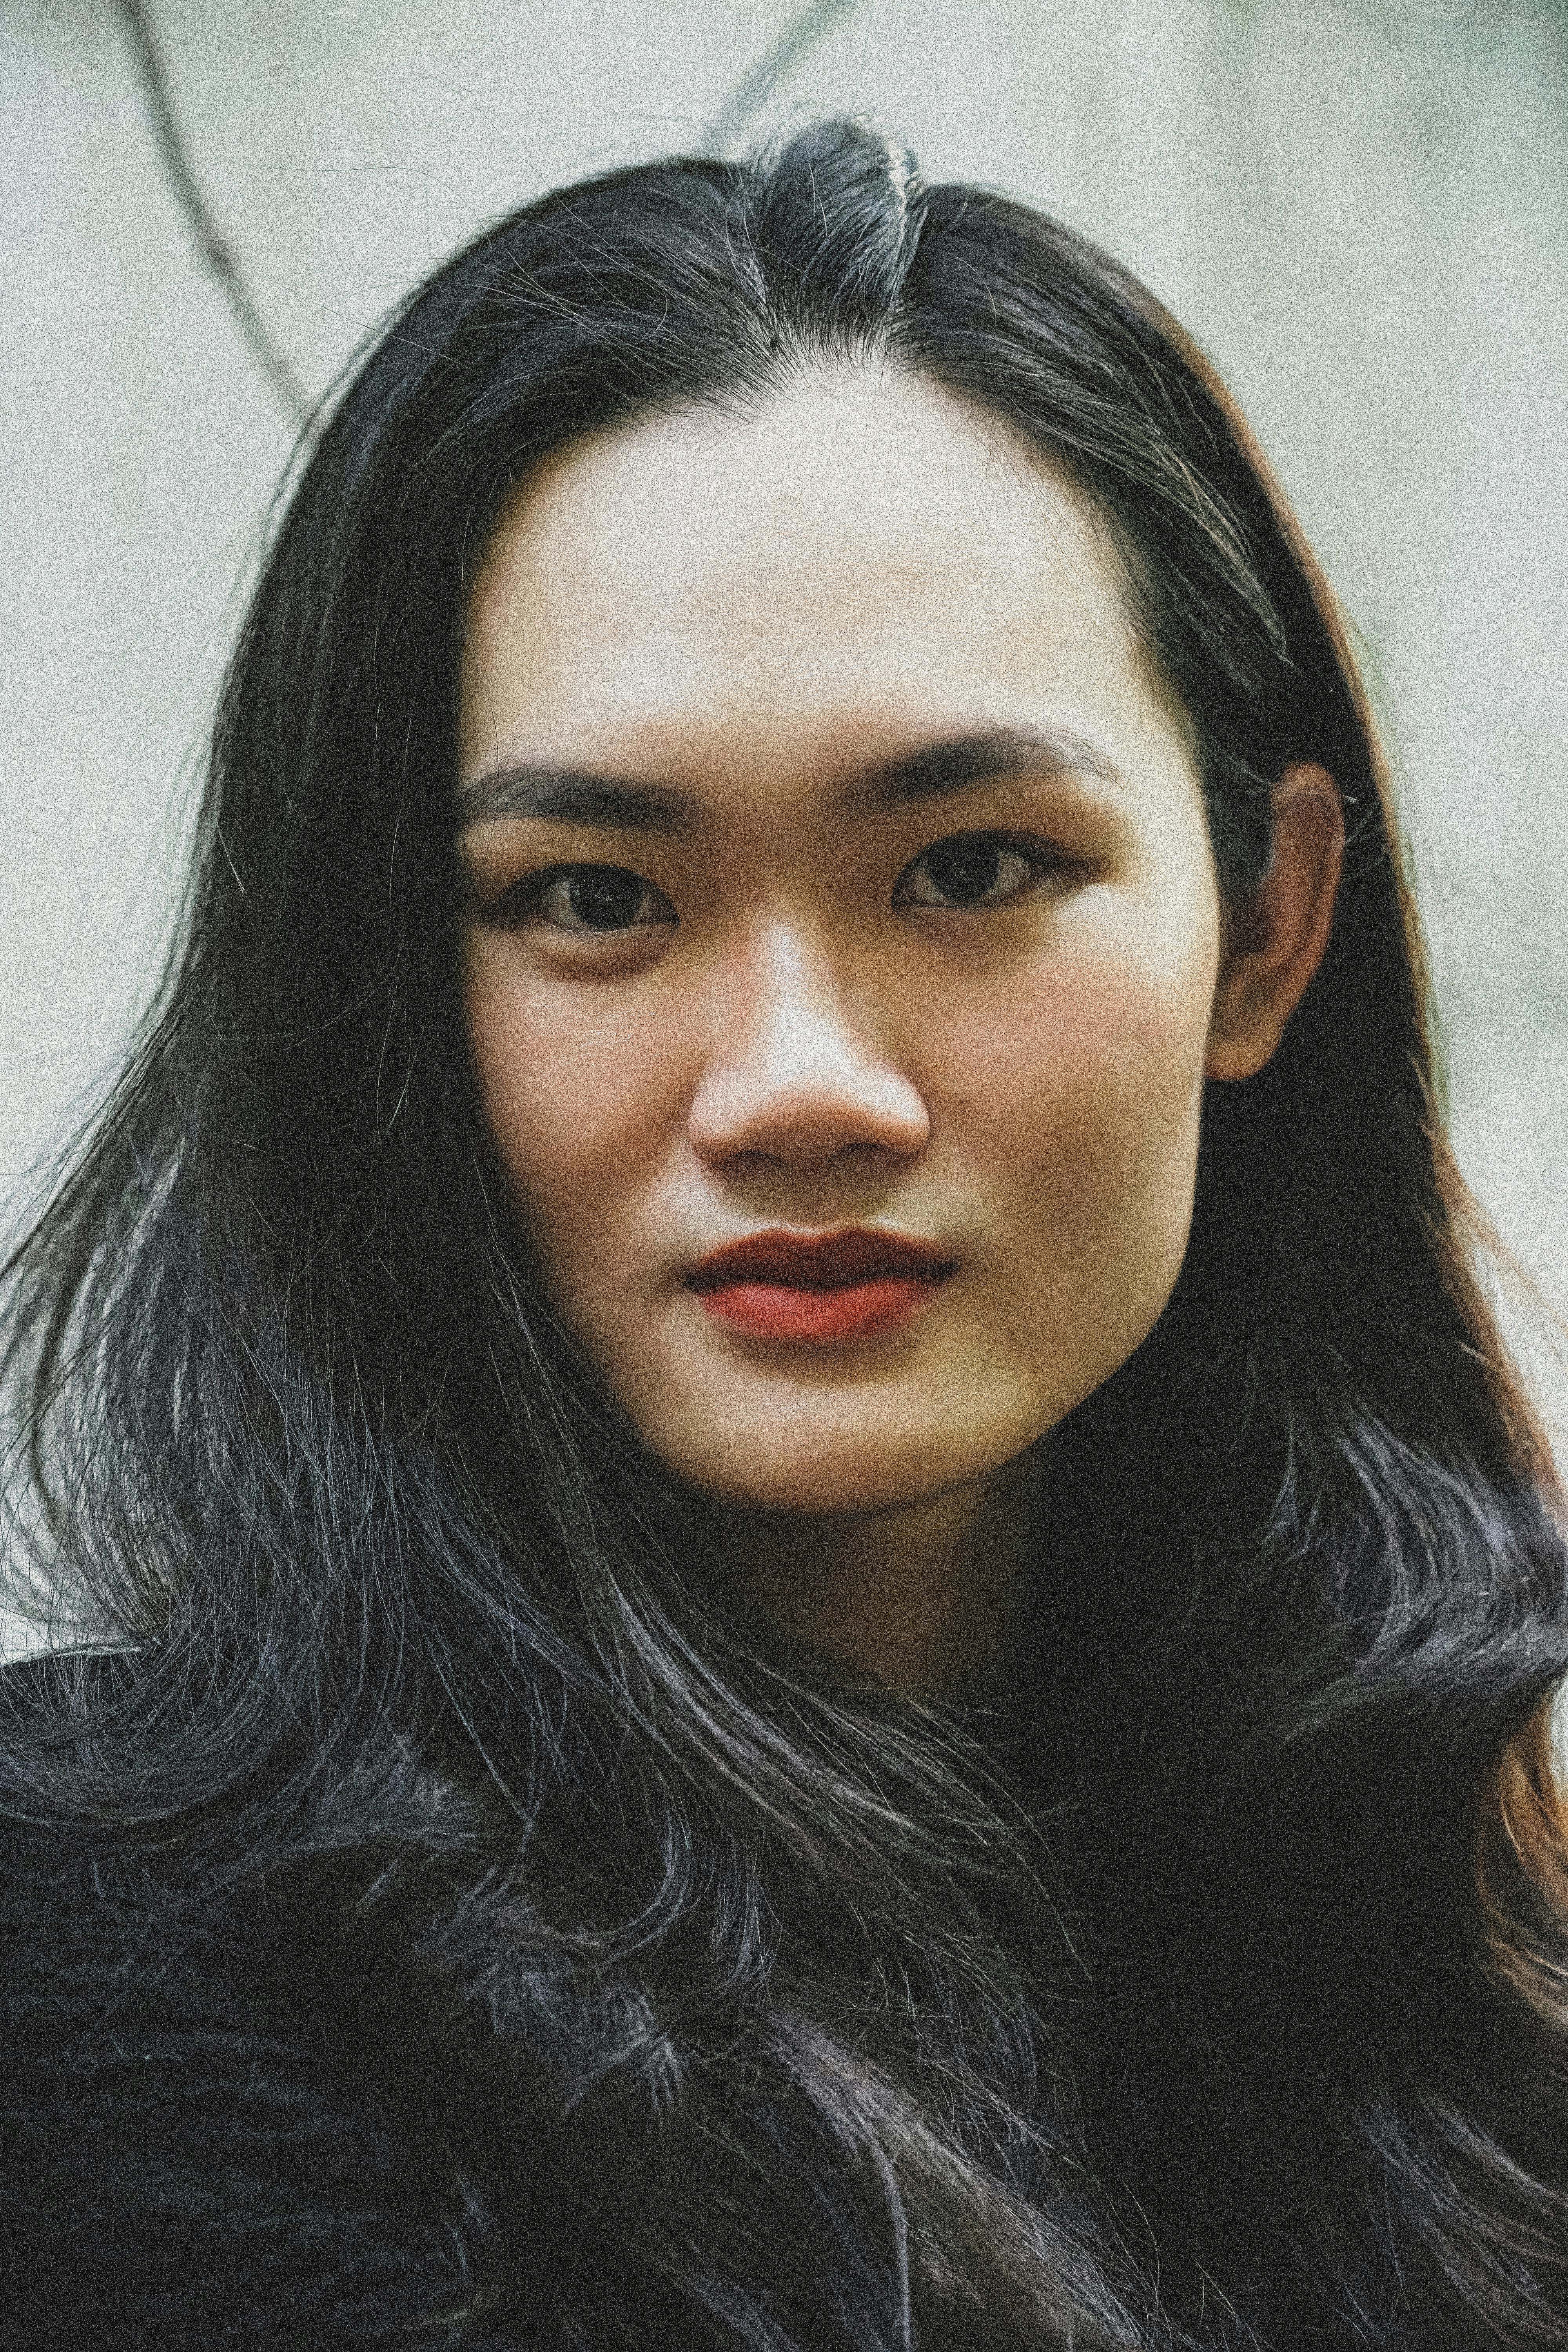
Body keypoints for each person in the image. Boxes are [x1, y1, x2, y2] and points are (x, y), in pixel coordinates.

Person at [2, 118, 1566, 2352]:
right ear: (384, 990)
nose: (799, 1087)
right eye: (595, 899)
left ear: (1269, 925)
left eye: (973, 868)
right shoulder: (95, 1967)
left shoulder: (1461, 1992)